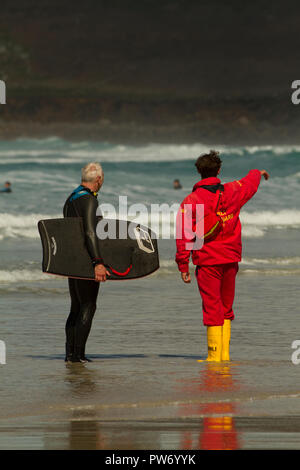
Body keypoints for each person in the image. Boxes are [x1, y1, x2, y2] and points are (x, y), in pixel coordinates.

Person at [175, 150, 269, 362]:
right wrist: (258, 172)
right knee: (226, 306)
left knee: (212, 306)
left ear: (199, 172)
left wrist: (183, 265)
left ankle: (213, 356)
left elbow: (184, 236)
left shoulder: (191, 200)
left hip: (208, 261)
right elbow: (249, 183)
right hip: (231, 258)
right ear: (218, 170)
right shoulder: (233, 190)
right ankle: (224, 356)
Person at [63, 163, 110, 363]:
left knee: (76, 306)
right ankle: (78, 356)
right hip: (86, 261)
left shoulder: (71, 199)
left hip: (72, 260)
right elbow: (90, 232)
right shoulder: (89, 200)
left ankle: (70, 354)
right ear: (98, 180)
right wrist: (98, 262)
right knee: (88, 305)